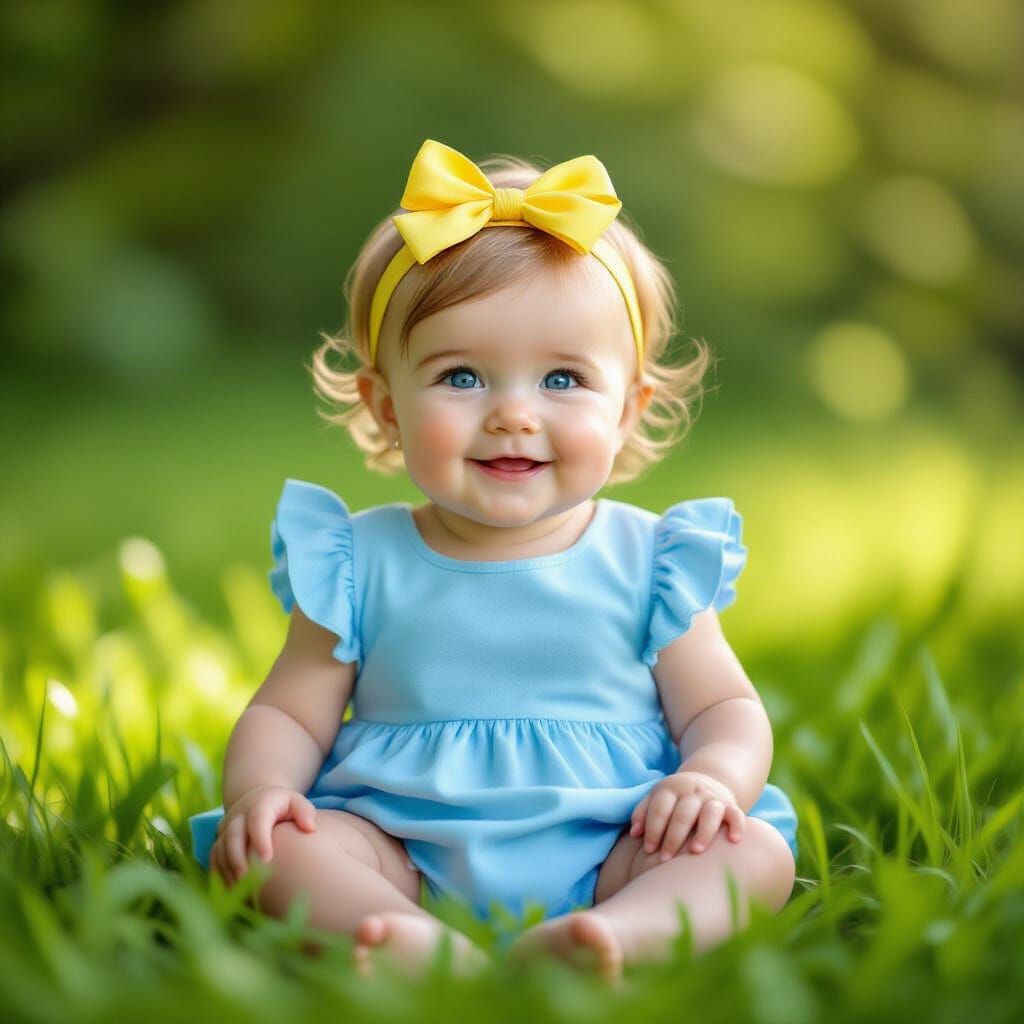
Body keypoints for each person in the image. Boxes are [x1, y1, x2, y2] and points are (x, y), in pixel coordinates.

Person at [188, 138, 799, 985]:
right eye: (464, 377)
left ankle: (616, 934)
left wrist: (709, 779)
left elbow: (723, 708)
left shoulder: (654, 558)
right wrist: (262, 792)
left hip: (617, 842)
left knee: (752, 851)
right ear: (385, 403)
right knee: (271, 851)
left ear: (628, 410)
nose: (514, 415)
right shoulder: (358, 559)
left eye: (561, 381)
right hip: (396, 841)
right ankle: (404, 933)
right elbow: (290, 714)